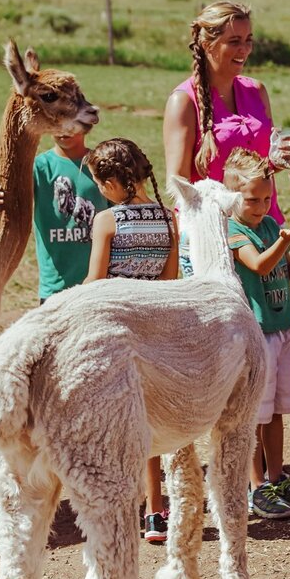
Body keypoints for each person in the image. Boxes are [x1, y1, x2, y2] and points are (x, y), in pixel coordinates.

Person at [83, 138, 179, 544]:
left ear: (109, 184)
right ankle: (156, 511)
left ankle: (116, 506)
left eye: (99, 185)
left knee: (109, 423)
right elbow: (171, 281)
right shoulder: (167, 219)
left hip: (115, 329)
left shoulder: (107, 221)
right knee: (148, 425)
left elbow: (95, 282)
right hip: (153, 329)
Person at [223, 149, 290, 520]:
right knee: (254, 414)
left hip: (281, 329)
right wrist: (284, 240)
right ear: (234, 196)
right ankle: (255, 486)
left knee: (277, 411)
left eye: (267, 198)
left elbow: (282, 269)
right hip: (257, 334)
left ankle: (277, 476)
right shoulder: (235, 230)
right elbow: (259, 263)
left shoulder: (267, 226)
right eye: (252, 199)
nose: (261, 206)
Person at [163, 1, 290, 278]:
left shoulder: (257, 90)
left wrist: (280, 160)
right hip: (214, 239)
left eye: (248, 40)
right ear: (207, 43)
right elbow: (179, 187)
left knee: (270, 318)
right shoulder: (183, 101)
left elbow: (263, 163)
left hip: (263, 226)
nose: (244, 50)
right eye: (234, 41)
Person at [0, 122, 109, 303]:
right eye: (57, 123)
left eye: (71, 123)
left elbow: (118, 214)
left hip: (100, 282)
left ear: (86, 124)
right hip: (55, 285)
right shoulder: (37, 168)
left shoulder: (100, 167)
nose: (64, 129)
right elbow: (11, 204)